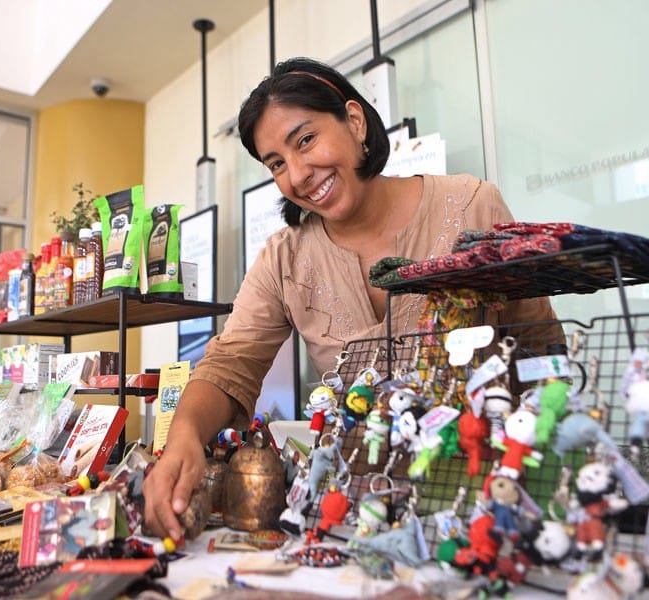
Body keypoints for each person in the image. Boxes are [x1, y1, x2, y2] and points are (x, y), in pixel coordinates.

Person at [142, 57, 558, 540]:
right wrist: (185, 436)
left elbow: (540, 346)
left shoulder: (471, 206)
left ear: (355, 122)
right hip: (357, 514)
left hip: (488, 507)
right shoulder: (284, 258)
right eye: (277, 163)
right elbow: (230, 363)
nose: (298, 174)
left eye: (305, 140)